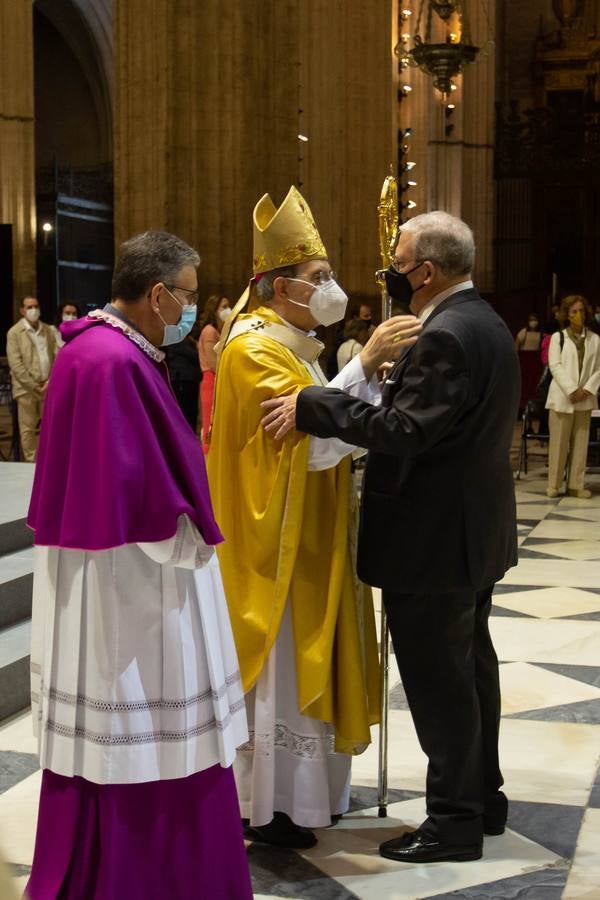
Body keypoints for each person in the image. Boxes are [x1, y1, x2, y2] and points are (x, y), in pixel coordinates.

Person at [262, 210, 520, 865]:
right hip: (470, 535)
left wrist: (312, 406)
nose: (388, 275)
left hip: (432, 543)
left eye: (395, 264)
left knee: (440, 686)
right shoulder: (484, 321)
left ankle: (453, 822)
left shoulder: (446, 335)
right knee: (471, 671)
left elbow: (406, 431)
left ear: (425, 272)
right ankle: (483, 800)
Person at [25, 231, 252, 899]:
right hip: (132, 592)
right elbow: (140, 497)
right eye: (186, 294)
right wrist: (196, 539)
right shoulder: (112, 362)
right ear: (157, 295)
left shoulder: (97, 350)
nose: (190, 308)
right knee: (145, 729)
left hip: (105, 580)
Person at [207, 185, 421, 849]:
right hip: (276, 542)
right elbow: (311, 441)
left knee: (311, 659)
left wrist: (361, 383)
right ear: (277, 287)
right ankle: (270, 806)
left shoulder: (296, 343)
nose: (328, 287)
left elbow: (326, 418)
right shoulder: (252, 350)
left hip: (314, 533)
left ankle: (306, 798)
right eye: (316, 277)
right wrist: (363, 363)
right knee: (283, 668)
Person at [545, 294, 600, 499]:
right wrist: (571, 389)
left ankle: (576, 485)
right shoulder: (557, 338)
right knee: (558, 443)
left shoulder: (595, 339)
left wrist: (586, 389)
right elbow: (555, 366)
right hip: (562, 397)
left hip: (585, 398)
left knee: (580, 443)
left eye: (581, 311)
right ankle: (554, 484)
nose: (578, 315)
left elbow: (598, 369)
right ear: (567, 315)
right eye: (574, 311)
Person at [6, 296, 57, 462]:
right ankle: (31, 464)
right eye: (29, 307)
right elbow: (16, 364)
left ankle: (46, 462)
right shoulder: (14, 333)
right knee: (27, 430)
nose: (33, 310)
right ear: (22, 310)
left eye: (36, 306)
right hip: (26, 388)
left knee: (49, 427)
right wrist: (33, 386)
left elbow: (55, 356)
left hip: (47, 386)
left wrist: (49, 382)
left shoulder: (48, 330)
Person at [198, 294, 231, 452]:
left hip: (217, 379)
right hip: (211, 379)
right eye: (224, 306)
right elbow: (213, 363)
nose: (228, 309)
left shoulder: (218, 330)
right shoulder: (210, 331)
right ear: (214, 310)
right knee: (210, 425)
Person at [164, 330, 202, 432]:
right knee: (184, 413)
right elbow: (190, 353)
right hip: (181, 379)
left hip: (190, 378)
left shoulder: (186, 337)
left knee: (192, 412)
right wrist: (199, 349)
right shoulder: (174, 336)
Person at [515, 313, 542, 411]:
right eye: (531, 320)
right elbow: (516, 345)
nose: (533, 322)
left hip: (535, 363)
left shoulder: (541, 333)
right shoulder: (524, 331)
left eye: (535, 319)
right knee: (524, 385)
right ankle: (522, 407)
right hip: (525, 362)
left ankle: (534, 407)